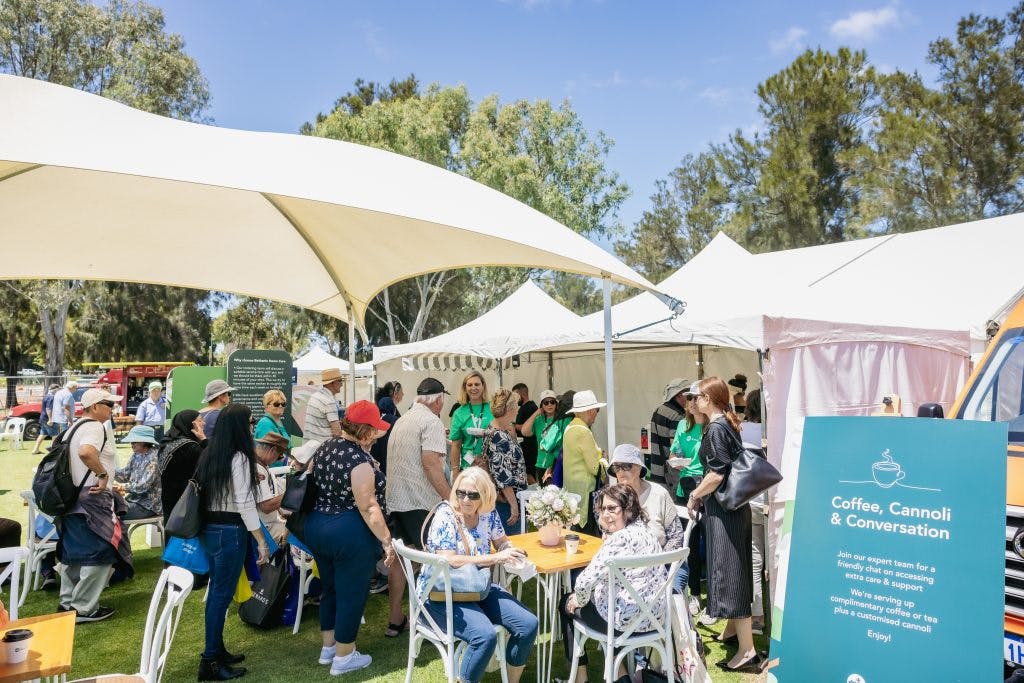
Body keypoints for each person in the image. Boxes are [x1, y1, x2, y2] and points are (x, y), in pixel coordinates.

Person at [419, 467, 538, 683]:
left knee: (528, 624)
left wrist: (510, 551)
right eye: (461, 493)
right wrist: (494, 558)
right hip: (442, 594)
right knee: (484, 636)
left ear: (485, 495)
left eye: (473, 495)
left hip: (478, 587)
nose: (465, 499)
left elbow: (501, 542)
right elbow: (449, 560)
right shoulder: (446, 515)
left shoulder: (488, 513)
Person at [303, 400, 395, 676]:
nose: (377, 434)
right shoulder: (358, 461)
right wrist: (387, 540)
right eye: (374, 429)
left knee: (330, 588)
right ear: (364, 430)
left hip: (317, 526)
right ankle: (344, 657)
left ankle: (329, 648)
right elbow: (368, 507)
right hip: (348, 532)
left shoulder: (325, 447)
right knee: (351, 594)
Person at [686, 377, 760, 673]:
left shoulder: (717, 428)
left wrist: (694, 495)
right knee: (734, 570)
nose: (692, 402)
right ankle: (732, 631)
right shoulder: (724, 424)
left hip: (726, 511)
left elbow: (717, 473)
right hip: (733, 509)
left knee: (731, 573)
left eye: (696, 397)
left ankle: (747, 651)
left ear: (708, 399)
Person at [561, 484, 667, 683]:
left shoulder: (618, 540)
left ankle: (580, 679)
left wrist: (578, 599)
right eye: (602, 509)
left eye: (612, 508)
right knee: (610, 605)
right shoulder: (648, 532)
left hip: (624, 623)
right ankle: (621, 676)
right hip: (655, 620)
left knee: (566, 602)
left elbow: (584, 582)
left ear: (628, 509)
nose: (605, 514)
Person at [195, 403, 269, 681]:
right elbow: (244, 503)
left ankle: (216, 651)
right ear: (240, 426)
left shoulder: (211, 453)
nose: (253, 428)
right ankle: (210, 660)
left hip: (211, 529)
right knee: (220, 596)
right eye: (251, 422)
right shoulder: (239, 457)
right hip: (229, 530)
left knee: (217, 594)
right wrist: (260, 539)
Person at [57, 387, 133, 624]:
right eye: (108, 404)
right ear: (94, 407)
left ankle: (67, 603)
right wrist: (102, 474)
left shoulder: (73, 428)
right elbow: (86, 452)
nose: (113, 408)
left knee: (74, 552)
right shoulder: (94, 427)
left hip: (72, 499)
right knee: (101, 550)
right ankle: (83, 608)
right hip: (93, 499)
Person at [384, 377, 451, 638]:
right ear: (438, 400)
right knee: (434, 562)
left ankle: (394, 620)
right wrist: (450, 498)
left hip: (396, 501)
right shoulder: (431, 421)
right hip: (421, 503)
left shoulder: (403, 419)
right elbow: (430, 464)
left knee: (399, 561)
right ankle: (430, 620)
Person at [669, 382, 707, 613]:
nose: (690, 402)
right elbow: (674, 453)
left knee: (711, 544)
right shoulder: (683, 424)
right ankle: (693, 593)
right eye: (688, 398)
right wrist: (675, 460)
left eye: (694, 397)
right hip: (686, 489)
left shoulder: (710, 425)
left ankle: (713, 594)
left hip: (707, 489)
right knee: (689, 543)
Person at [608, 444, 683, 551]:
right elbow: (606, 531)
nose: (621, 471)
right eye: (616, 467)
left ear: (639, 467)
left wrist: (660, 558)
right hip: (623, 557)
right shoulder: (612, 497)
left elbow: (676, 537)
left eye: (626, 466)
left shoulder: (659, 494)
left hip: (660, 557)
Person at [480, 388, 528, 535]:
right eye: (516, 406)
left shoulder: (493, 430)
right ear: (509, 409)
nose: (518, 410)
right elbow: (503, 474)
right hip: (506, 502)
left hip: (501, 499)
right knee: (512, 544)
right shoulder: (499, 436)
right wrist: (514, 505)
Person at [562, 390, 606, 534]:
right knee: (588, 533)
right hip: (586, 491)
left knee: (575, 530)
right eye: (597, 410)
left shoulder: (569, 428)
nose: (596, 415)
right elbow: (594, 467)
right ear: (590, 411)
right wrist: (604, 461)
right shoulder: (583, 431)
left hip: (571, 489)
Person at [740, 388, 766, 634]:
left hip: (755, 498)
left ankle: (758, 615)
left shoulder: (748, 430)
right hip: (775, 498)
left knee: (755, 560)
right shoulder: (780, 427)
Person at [158, 410, 207, 524]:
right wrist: (203, 439)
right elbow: (210, 462)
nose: (204, 423)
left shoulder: (167, 442)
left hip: (169, 500)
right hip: (185, 503)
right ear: (191, 424)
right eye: (200, 420)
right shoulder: (190, 447)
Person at [521, 389, 571, 484]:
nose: (549, 405)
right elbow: (524, 432)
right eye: (546, 403)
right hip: (540, 464)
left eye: (552, 402)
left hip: (557, 464)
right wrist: (536, 413)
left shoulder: (562, 419)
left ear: (556, 404)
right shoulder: (538, 419)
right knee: (543, 491)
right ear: (541, 405)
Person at [650, 377, 691, 492]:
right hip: (669, 475)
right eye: (688, 395)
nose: (690, 399)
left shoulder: (658, 410)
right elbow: (676, 446)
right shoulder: (677, 416)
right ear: (679, 395)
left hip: (656, 468)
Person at [448, 371, 493, 474]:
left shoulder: (493, 408)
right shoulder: (459, 413)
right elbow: (456, 446)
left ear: (483, 386)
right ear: (465, 388)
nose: (473, 388)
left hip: (491, 467)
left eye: (477, 384)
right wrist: (455, 473)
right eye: (469, 385)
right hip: (468, 467)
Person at [114, 425, 161, 520]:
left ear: (144, 442)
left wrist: (121, 488)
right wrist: (107, 471)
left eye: (134, 441)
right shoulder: (136, 455)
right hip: (134, 500)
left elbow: (142, 486)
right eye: (131, 441)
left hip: (148, 505)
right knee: (107, 507)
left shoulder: (154, 458)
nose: (131, 444)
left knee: (111, 513)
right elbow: (125, 475)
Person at [253, 432, 289, 544]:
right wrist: (291, 494)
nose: (277, 460)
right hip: (264, 527)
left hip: (266, 523)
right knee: (296, 536)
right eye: (279, 456)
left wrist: (281, 513)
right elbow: (265, 506)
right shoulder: (258, 468)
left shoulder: (261, 465)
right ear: (272, 450)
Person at [370, 381, 402, 474]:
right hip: (389, 457)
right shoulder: (396, 420)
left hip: (375, 456)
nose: (403, 395)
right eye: (402, 392)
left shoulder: (375, 418)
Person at [305, 369, 344, 443]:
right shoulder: (329, 401)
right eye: (340, 381)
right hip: (323, 446)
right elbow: (337, 433)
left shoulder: (314, 396)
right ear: (332, 383)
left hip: (309, 445)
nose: (342, 384)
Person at [511, 383, 538, 483]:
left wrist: (513, 425)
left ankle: (535, 491)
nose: (514, 399)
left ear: (522, 394)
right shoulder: (523, 408)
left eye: (515, 395)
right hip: (524, 447)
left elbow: (529, 427)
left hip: (530, 448)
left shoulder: (531, 407)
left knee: (529, 474)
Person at [31, 383, 60, 454]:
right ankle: (53, 451)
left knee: (42, 434)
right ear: (55, 390)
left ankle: (35, 450)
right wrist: (50, 419)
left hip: (43, 418)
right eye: (58, 389)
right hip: (48, 419)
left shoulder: (46, 396)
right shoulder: (52, 397)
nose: (59, 391)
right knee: (55, 435)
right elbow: (48, 409)